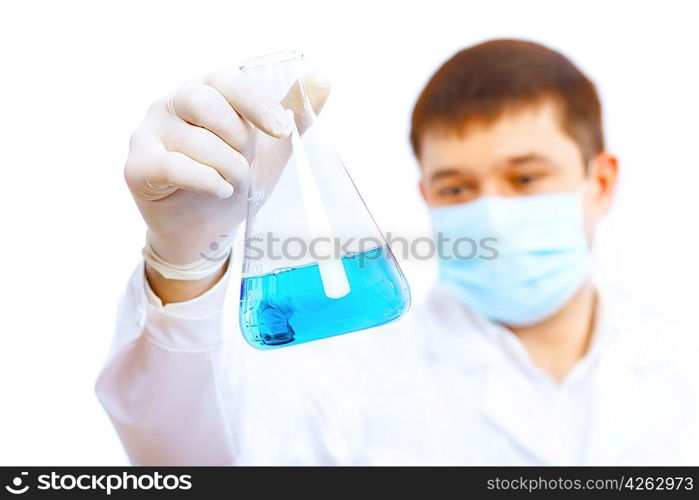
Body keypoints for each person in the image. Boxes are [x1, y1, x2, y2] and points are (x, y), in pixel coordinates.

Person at [95, 39, 698, 465]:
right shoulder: (348, 371)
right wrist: (183, 260)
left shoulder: (681, 362)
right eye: (456, 187)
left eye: (525, 178)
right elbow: (190, 460)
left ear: (601, 183)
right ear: (426, 196)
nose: (487, 212)